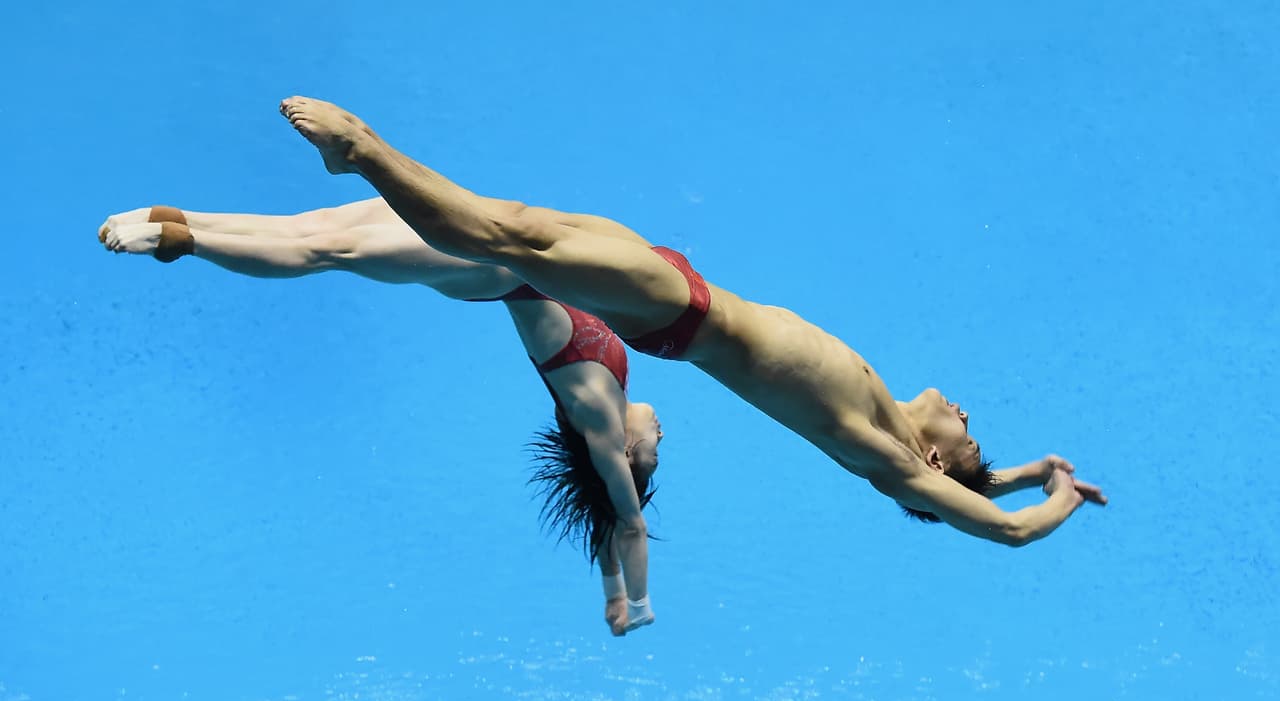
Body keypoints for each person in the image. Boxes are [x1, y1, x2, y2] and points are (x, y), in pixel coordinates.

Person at [273, 95, 1107, 545]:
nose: (965, 414)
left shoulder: (886, 455)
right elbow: (982, 485)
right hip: (681, 285)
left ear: (929, 460)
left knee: (511, 241)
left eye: (968, 433)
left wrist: (1059, 499)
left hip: (680, 315)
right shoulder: (898, 425)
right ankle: (367, 158)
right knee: (514, 222)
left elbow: (1005, 532)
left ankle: (362, 151)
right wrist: (1030, 467)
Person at [98, 199, 662, 635]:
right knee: (314, 226)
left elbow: (627, 523)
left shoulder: (600, 423)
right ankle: (175, 219)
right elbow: (611, 524)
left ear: (628, 459)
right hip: (490, 239)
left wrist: (636, 605)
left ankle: (181, 243)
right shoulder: (618, 391)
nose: (661, 435)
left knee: (330, 252)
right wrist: (613, 592)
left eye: (656, 451)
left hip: (482, 268)